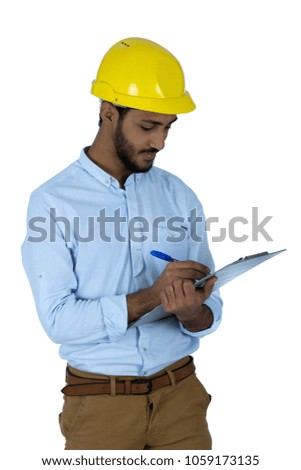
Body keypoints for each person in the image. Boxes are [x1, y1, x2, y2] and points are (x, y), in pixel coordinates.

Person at [21, 37, 223, 450]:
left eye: (168, 127)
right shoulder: (52, 203)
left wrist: (194, 312)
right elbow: (58, 321)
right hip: (100, 407)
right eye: (148, 126)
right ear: (108, 113)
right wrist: (153, 296)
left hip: (181, 397)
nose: (160, 142)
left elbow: (211, 307)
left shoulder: (178, 194)